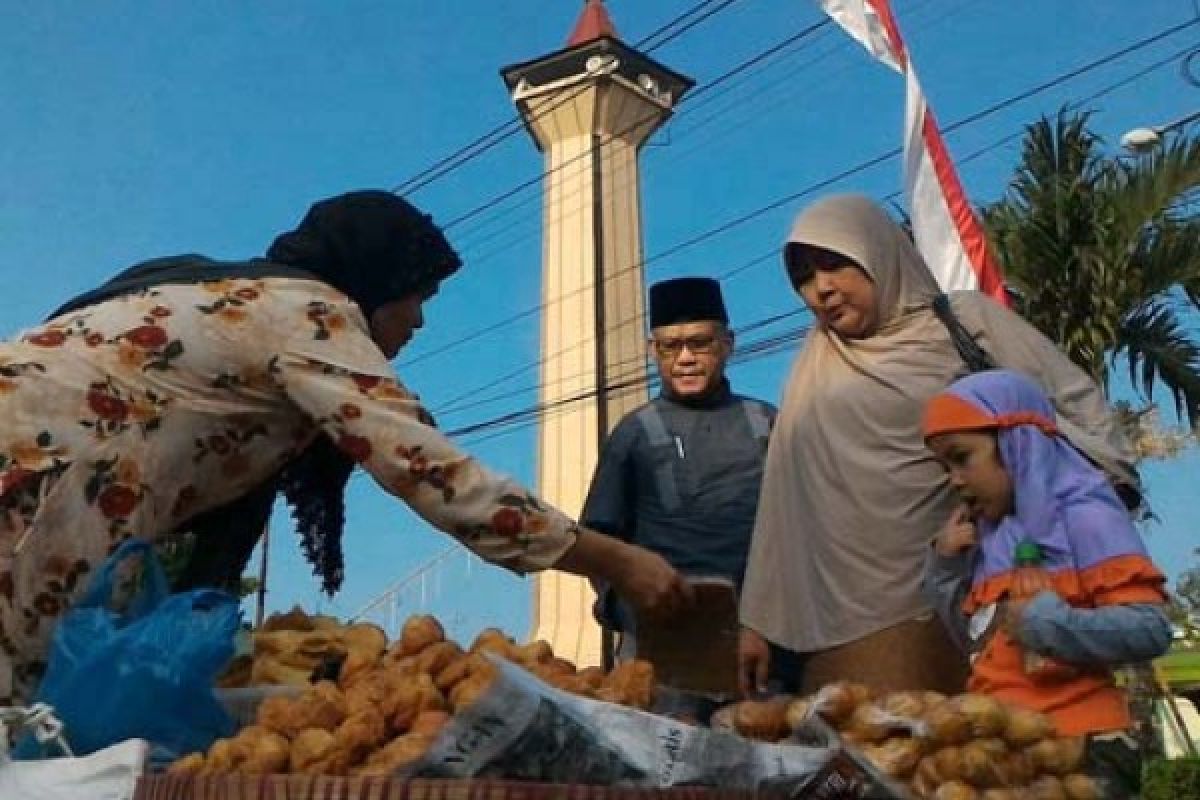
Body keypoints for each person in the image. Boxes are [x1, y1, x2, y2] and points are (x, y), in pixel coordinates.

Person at [0, 189, 690, 704]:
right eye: (415, 296)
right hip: (35, 486)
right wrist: (617, 561)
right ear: (373, 282)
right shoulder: (309, 313)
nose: (418, 319)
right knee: (30, 694)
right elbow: (431, 471)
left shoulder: (242, 295)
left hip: (50, 469)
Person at [738, 193, 1138, 697]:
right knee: (879, 757)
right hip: (846, 614)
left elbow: (1074, 399)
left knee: (995, 753)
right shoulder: (811, 369)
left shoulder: (963, 322)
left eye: (835, 264)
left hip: (977, 579)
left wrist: (1089, 501)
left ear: (877, 253)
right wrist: (757, 620)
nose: (822, 288)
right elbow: (782, 500)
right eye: (804, 276)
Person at [922, 369, 1171, 798]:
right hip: (996, 750)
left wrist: (1050, 624)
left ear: (1018, 442)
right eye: (945, 466)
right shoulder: (989, 536)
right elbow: (975, 641)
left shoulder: (1088, 516)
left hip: (1081, 744)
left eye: (962, 458)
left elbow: (1150, 628)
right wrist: (944, 568)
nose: (955, 480)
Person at [581, 277, 780, 682]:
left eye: (700, 343)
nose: (685, 358)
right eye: (671, 346)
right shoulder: (634, 433)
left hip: (764, 645)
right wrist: (630, 608)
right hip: (662, 650)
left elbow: (798, 537)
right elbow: (598, 544)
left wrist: (768, 622)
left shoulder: (767, 424)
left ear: (728, 344)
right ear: (653, 352)